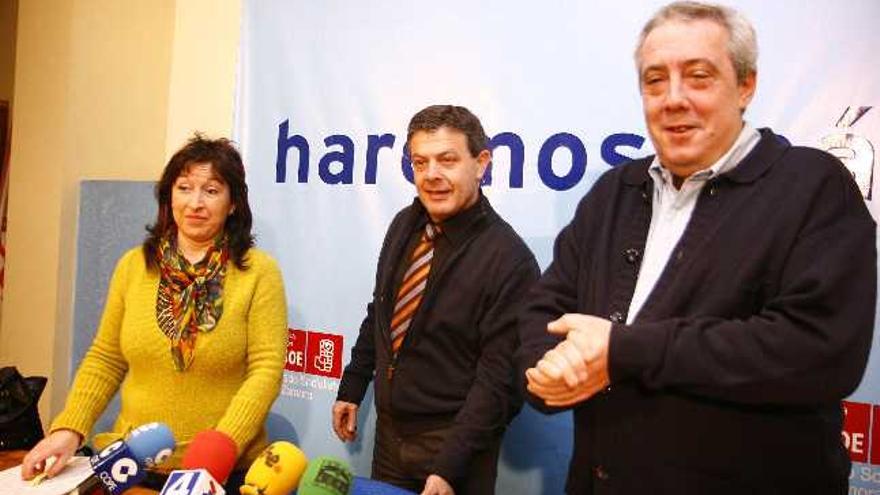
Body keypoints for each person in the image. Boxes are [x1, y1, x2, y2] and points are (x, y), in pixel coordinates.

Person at [518, 2, 876, 494]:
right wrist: (546, 371)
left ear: (746, 85)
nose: (673, 98)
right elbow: (545, 307)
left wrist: (624, 351)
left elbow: (819, 350)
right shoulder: (612, 192)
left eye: (699, 76)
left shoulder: (813, 185)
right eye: (655, 80)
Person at [21, 135, 288, 492]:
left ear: (234, 203)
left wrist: (219, 450)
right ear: (168, 197)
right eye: (184, 187)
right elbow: (106, 358)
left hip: (220, 471)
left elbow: (266, 370)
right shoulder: (134, 266)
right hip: (133, 465)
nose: (195, 203)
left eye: (211, 190)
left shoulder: (259, 272)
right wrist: (69, 428)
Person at [333, 105, 539, 495]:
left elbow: (499, 383)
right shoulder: (403, 226)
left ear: (480, 164)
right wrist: (353, 386)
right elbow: (381, 311)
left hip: (456, 448)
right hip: (390, 439)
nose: (431, 175)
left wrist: (449, 468)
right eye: (420, 162)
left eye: (447, 160)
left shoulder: (510, 260)